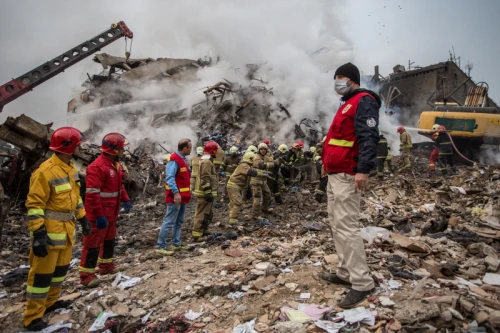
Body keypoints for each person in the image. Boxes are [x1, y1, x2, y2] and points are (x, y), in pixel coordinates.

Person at [321, 62, 379, 308]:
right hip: (335, 174)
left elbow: (369, 137)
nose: (337, 81)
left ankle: (362, 283)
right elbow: (338, 139)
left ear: (353, 79)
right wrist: (326, 163)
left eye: (342, 77)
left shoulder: (363, 101)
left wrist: (363, 170)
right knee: (337, 225)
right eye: (335, 77)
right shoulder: (345, 104)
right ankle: (345, 272)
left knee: (347, 227)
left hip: (348, 174)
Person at [24, 127, 90, 331]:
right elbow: (34, 205)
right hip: (50, 232)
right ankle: (32, 317)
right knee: (41, 276)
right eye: (78, 145)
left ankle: (50, 303)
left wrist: (83, 218)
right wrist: (38, 233)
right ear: (68, 147)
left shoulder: (70, 168)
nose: (81, 148)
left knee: (59, 273)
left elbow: (76, 198)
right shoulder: (44, 171)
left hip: (67, 231)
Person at [79, 133, 131, 287]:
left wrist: (125, 198)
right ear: (114, 150)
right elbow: (92, 194)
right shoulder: (97, 167)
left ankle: (106, 266)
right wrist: (99, 215)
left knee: (109, 240)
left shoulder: (116, 165)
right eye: (121, 148)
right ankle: (86, 276)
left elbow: (118, 185)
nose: (123, 151)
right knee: (92, 244)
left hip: (112, 211)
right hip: (99, 213)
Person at [156, 139, 192, 256]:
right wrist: (176, 193)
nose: (191, 149)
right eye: (190, 147)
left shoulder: (181, 160)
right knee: (169, 221)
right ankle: (161, 246)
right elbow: (170, 178)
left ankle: (176, 243)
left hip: (182, 197)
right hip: (175, 197)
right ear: (185, 148)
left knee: (179, 221)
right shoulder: (174, 160)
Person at [227, 152, 266, 225]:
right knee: (238, 202)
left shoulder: (246, 165)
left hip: (234, 186)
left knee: (233, 203)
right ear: (250, 159)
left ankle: (232, 218)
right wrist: (262, 173)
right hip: (234, 186)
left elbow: (253, 170)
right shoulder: (244, 165)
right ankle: (233, 221)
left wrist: (262, 172)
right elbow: (252, 172)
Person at [191, 141, 218, 240]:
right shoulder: (206, 162)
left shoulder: (207, 160)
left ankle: (203, 229)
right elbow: (205, 177)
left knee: (208, 212)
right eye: (216, 150)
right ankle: (197, 234)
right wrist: (207, 191)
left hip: (205, 192)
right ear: (213, 150)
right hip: (204, 192)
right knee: (202, 213)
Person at [251, 142, 275, 219]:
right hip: (256, 180)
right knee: (257, 198)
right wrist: (271, 164)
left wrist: (274, 161)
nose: (263, 150)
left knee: (267, 194)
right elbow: (261, 165)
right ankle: (255, 215)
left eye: (264, 149)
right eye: (261, 149)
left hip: (263, 180)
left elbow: (271, 161)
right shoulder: (256, 157)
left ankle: (264, 208)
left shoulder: (265, 157)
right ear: (259, 150)